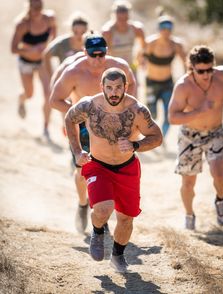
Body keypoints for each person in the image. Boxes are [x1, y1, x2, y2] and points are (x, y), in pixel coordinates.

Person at [64, 68, 163, 272]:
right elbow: (69, 119)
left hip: (127, 168)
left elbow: (157, 137)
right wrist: (76, 151)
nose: (114, 92)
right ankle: (97, 231)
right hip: (98, 165)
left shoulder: (137, 110)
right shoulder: (89, 105)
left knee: (126, 218)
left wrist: (136, 145)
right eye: (109, 87)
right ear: (102, 87)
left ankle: (117, 256)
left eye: (118, 87)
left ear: (126, 87)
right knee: (103, 209)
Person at [50, 34, 137, 234]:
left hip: (115, 124)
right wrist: (78, 114)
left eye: (101, 54)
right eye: (93, 55)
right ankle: (82, 204)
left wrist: (131, 112)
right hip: (83, 126)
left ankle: (101, 211)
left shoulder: (119, 66)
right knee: (83, 170)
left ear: (107, 51)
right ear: (84, 52)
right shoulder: (74, 72)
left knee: (111, 167)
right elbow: (55, 100)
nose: (98, 59)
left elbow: (132, 84)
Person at [168, 45, 223, 230]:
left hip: (216, 132)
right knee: (188, 182)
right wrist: (199, 111)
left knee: (219, 174)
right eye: (201, 71)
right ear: (191, 67)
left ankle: (220, 201)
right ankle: (189, 215)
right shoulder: (183, 86)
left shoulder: (222, 76)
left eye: (209, 69)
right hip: (190, 136)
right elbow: (172, 117)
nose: (206, 75)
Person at [11, 0, 56, 137]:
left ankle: (46, 128)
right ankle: (21, 98)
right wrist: (31, 50)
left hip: (43, 61)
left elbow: (54, 35)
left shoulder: (49, 19)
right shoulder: (22, 25)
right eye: (34, 7)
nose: (37, 10)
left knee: (49, 94)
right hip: (26, 62)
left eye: (39, 7)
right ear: (29, 7)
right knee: (29, 94)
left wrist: (47, 46)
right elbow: (13, 49)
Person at [144, 15, 186, 138]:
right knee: (151, 114)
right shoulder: (151, 43)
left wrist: (186, 78)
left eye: (169, 27)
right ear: (159, 28)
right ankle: (150, 136)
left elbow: (185, 61)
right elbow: (140, 56)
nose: (166, 30)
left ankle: (160, 138)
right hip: (151, 83)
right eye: (163, 27)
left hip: (167, 83)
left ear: (172, 29)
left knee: (169, 113)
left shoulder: (176, 45)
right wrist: (140, 63)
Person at [102, 0, 145, 76]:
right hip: (114, 69)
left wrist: (140, 57)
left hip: (131, 67)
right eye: (120, 19)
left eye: (125, 18)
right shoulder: (107, 32)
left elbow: (144, 47)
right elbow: (104, 54)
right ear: (114, 17)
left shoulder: (136, 29)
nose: (123, 22)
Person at [43, 11, 88, 79]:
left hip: (84, 81)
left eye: (83, 32)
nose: (79, 36)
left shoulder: (91, 43)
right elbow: (46, 54)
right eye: (75, 32)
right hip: (65, 80)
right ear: (71, 30)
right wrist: (51, 76)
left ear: (87, 31)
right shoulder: (62, 43)